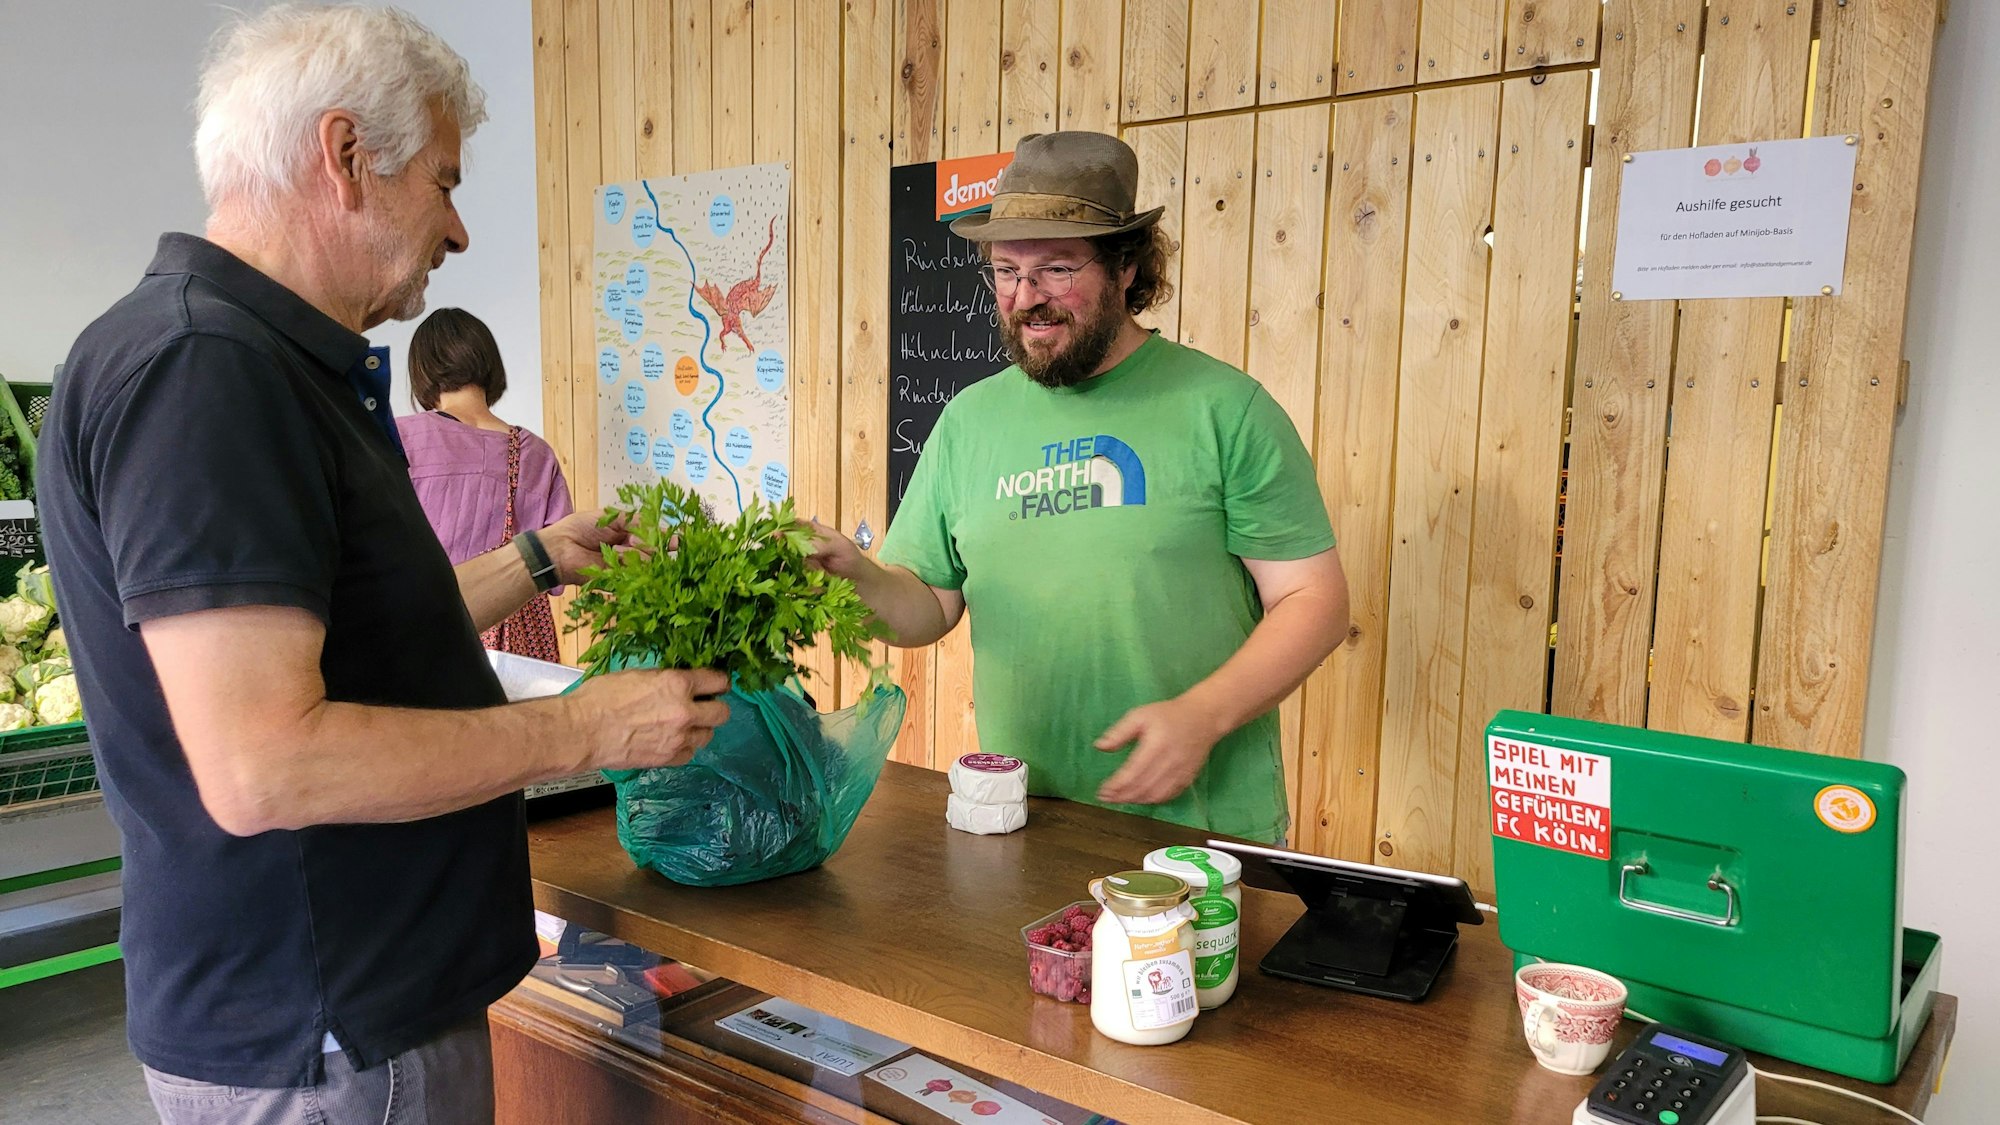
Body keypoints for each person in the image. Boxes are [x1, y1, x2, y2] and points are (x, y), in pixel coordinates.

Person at [37, 7, 729, 1122]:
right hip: (328, 1039)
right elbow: (267, 763)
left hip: (340, 1025)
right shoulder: (206, 370)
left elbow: (354, 637)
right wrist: (586, 729)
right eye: (444, 183)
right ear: (346, 156)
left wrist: (541, 559)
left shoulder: (250, 358)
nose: (457, 230)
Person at [811, 131, 1351, 845]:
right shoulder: (969, 422)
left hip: (1205, 840)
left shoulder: (1226, 409)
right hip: (1025, 825)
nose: (1026, 298)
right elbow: (929, 604)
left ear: (1128, 266)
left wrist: (1204, 713)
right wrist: (855, 576)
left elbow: (1314, 599)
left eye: (1057, 269)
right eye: (1006, 271)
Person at [397, 307, 573, 662]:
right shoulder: (537, 454)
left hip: (426, 635)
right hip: (516, 654)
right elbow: (557, 577)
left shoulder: (402, 438)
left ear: (423, 371)